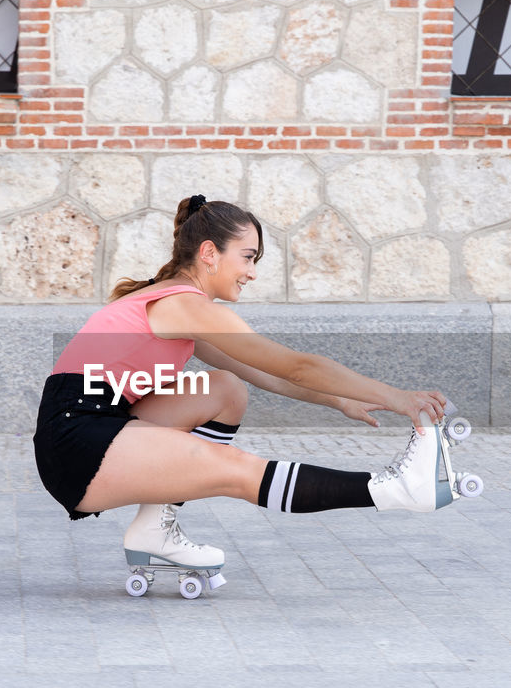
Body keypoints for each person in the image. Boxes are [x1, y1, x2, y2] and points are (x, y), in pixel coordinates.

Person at [33, 194, 463, 586]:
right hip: (74, 443)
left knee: (224, 389)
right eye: (248, 257)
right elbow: (296, 364)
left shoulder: (174, 304)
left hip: (95, 421)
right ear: (208, 254)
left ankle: (152, 527)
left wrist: (339, 398)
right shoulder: (183, 305)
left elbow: (267, 374)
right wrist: (398, 397)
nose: (252, 273)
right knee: (232, 467)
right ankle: (393, 490)